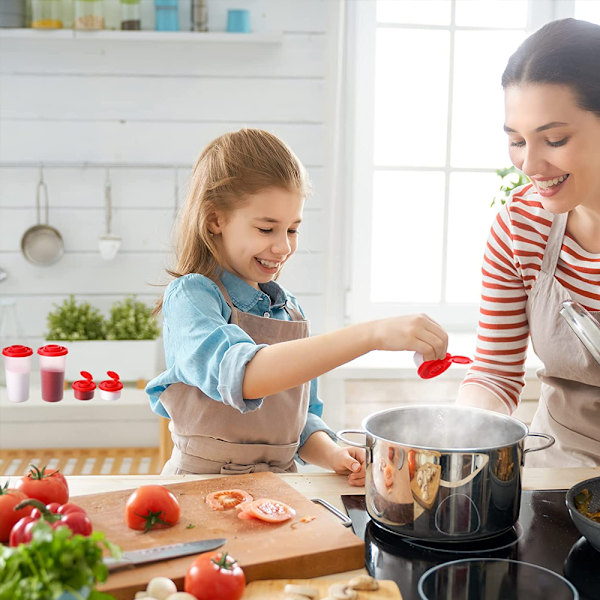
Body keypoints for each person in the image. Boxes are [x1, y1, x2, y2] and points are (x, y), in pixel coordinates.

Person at [146, 128, 448, 483]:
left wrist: (333, 453)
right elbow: (244, 377)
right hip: (197, 486)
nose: (283, 247)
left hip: (281, 486)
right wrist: (373, 334)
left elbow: (299, 421)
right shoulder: (192, 297)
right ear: (216, 220)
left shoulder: (289, 311)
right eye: (266, 229)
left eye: (292, 230)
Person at [456, 18, 600, 467]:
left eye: (554, 139)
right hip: (557, 469)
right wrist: (458, 439)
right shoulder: (520, 227)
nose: (530, 164)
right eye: (517, 141)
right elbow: (495, 374)